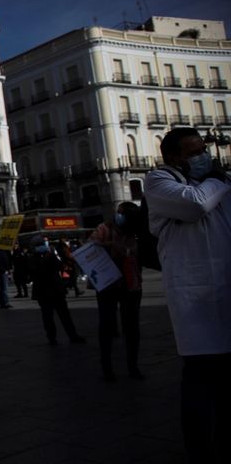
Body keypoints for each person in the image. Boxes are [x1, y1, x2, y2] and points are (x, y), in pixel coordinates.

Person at [143, 127, 231, 464]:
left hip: (224, 289)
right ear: (174, 157)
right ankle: (198, 448)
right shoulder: (158, 181)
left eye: (204, 148)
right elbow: (195, 205)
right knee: (200, 376)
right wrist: (219, 182)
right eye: (194, 151)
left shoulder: (218, 183)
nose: (203, 155)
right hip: (193, 294)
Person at [90, 202, 144, 382]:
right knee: (107, 325)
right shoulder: (104, 228)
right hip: (108, 283)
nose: (118, 215)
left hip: (131, 284)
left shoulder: (136, 232)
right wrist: (111, 245)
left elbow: (142, 253)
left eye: (122, 213)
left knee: (132, 326)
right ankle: (107, 367)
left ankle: (133, 366)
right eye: (118, 212)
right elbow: (91, 247)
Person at [28, 236, 86, 346]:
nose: (42, 247)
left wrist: (52, 258)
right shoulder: (32, 259)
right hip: (44, 292)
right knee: (48, 317)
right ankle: (52, 337)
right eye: (39, 245)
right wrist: (46, 260)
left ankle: (73, 335)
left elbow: (60, 266)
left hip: (56, 290)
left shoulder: (51, 255)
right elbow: (36, 272)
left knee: (64, 315)